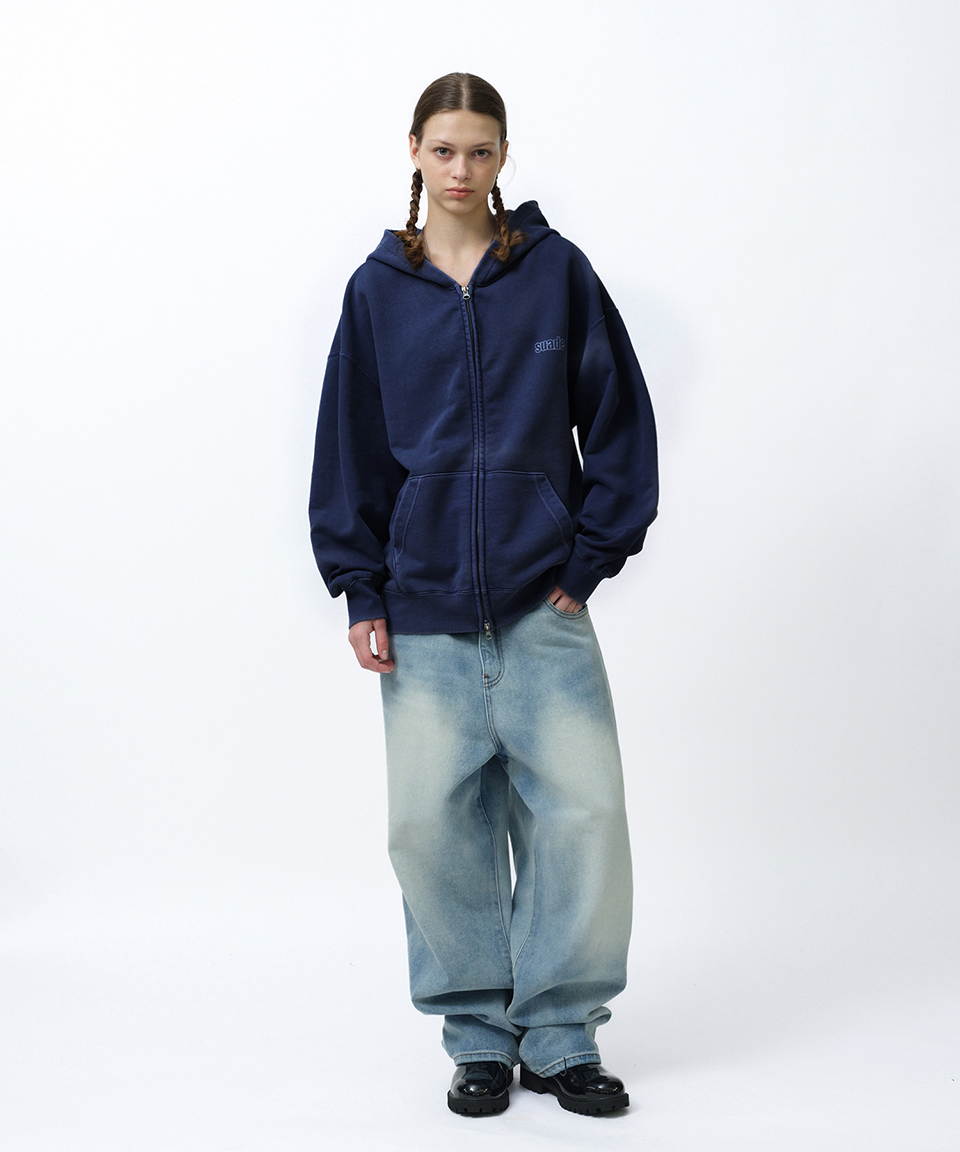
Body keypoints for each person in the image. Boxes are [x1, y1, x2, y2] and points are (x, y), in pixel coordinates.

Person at [309, 73, 658, 1117]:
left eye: (481, 150)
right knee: (429, 828)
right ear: (414, 152)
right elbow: (350, 450)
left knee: (583, 818)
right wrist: (360, 589)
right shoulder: (378, 291)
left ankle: (560, 1034)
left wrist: (588, 559)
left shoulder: (555, 273)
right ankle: (476, 1036)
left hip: (542, 604)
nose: (461, 170)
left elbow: (619, 419)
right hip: (421, 611)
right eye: (444, 149)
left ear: (504, 157)